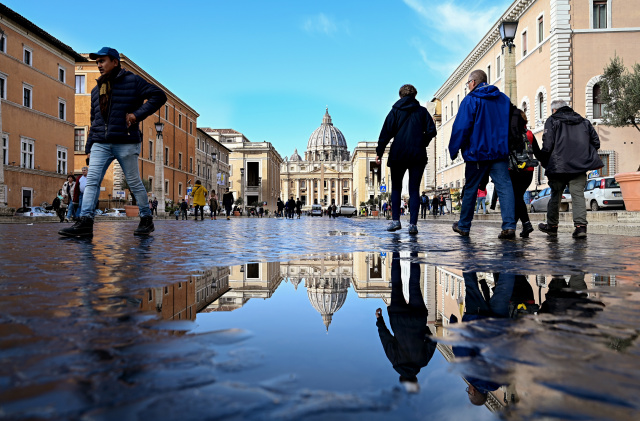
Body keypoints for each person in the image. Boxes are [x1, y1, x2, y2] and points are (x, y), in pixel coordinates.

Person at [59, 47, 167, 237]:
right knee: (91, 180)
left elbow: (159, 96)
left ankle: (146, 219)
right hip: (101, 143)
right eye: (97, 62)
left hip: (126, 141)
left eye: (103, 61)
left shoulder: (132, 81)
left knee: (134, 182)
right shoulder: (96, 90)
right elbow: (94, 122)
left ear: (115, 62)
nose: (99, 65)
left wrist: (136, 115)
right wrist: (89, 147)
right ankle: (85, 221)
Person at [449, 69, 516, 239]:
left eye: (468, 83)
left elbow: (461, 127)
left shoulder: (471, 100)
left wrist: (453, 149)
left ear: (473, 83)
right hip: (499, 152)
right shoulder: (503, 99)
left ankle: (464, 226)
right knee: (505, 188)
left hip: (477, 153)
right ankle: (509, 226)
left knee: (471, 189)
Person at [537, 99, 603, 239]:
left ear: (554, 110)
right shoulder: (584, 121)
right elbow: (596, 142)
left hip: (558, 167)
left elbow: (547, 145)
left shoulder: (552, 120)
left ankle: (552, 226)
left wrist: (543, 160)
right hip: (579, 167)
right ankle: (580, 228)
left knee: (556, 195)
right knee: (578, 195)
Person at [376, 84, 436, 235]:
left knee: (396, 188)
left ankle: (396, 221)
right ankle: (413, 225)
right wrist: (422, 142)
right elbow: (431, 131)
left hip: (398, 153)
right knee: (414, 189)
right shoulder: (422, 111)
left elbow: (385, 133)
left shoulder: (395, 111)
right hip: (418, 154)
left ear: (400, 96)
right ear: (415, 95)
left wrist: (379, 152)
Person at [375, 251, 436, 393]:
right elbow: (386, 339)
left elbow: (432, 341)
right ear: (401, 378)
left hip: (418, 318)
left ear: (415, 379)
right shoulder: (396, 362)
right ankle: (395, 251)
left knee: (414, 284)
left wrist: (424, 329)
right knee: (396, 284)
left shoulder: (423, 361)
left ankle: (414, 251)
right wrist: (380, 320)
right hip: (398, 317)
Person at [509, 110, 540, 237]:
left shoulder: (509, 134)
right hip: (528, 171)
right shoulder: (530, 134)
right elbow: (537, 152)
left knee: (516, 197)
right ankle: (515, 226)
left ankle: (526, 224)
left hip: (514, 170)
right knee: (518, 198)